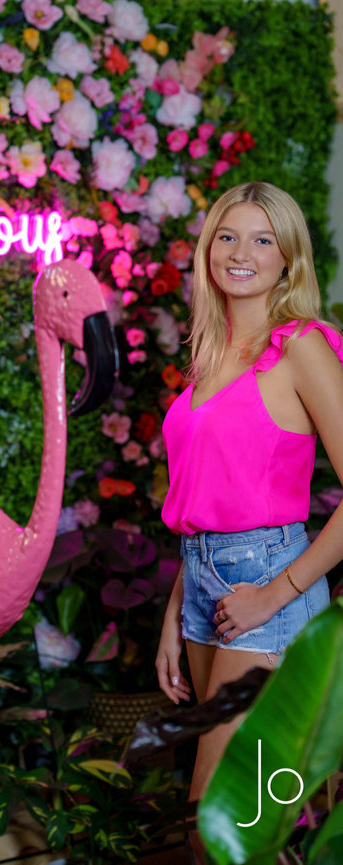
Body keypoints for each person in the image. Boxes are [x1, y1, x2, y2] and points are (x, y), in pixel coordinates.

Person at [154, 181, 343, 864]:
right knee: (231, 823)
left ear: (288, 258)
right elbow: (205, 498)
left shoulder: (301, 348)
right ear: (209, 250)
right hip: (205, 587)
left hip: (267, 585)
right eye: (228, 236)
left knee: (223, 821)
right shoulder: (210, 355)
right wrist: (175, 612)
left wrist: (275, 593)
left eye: (263, 240)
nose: (242, 253)